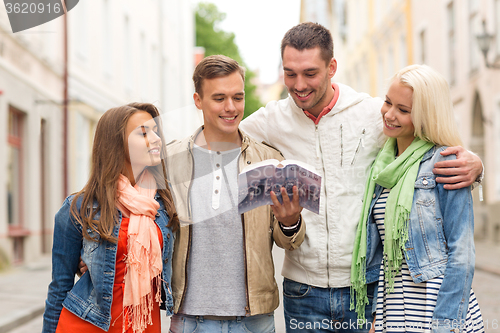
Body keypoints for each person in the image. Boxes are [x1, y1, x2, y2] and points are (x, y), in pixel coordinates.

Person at [239, 22, 483, 332]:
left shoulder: (374, 114)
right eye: (290, 73)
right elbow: (222, 140)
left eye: (310, 73)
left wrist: (477, 165)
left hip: (367, 289)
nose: (299, 84)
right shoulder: (270, 120)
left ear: (332, 68)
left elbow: (427, 145)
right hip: (303, 290)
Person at [166, 55, 305, 333]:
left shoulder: (269, 160)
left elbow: (288, 242)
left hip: (255, 320)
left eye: (237, 97)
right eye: (219, 98)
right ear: (198, 100)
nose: (231, 108)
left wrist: (291, 222)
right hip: (190, 319)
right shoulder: (170, 160)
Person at [351, 64, 484, 333]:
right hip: (395, 309)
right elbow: (385, 255)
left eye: (403, 110)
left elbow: (462, 252)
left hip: (437, 308)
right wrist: (378, 313)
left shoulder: (445, 162)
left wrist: (446, 323)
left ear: (424, 115)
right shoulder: (382, 166)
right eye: (388, 102)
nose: (389, 114)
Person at [42, 103, 179, 333]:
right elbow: (59, 288)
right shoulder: (79, 208)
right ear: (116, 143)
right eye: (144, 133)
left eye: (156, 131)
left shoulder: (163, 204)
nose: (156, 139)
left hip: (143, 324)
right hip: (87, 325)